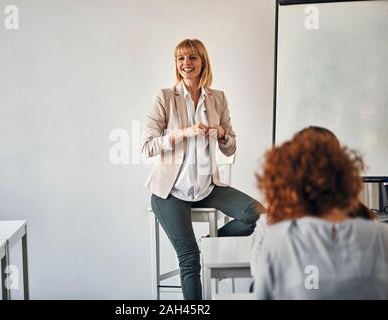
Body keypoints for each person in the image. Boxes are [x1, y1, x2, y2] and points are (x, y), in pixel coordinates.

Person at [141, 39, 265, 300]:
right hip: (170, 192)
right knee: (189, 261)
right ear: (176, 64)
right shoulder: (164, 97)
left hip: (208, 187)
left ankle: (209, 244)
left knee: (259, 215)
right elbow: (147, 147)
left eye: (193, 57)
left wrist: (222, 135)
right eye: (181, 59)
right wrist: (182, 133)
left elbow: (231, 148)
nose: (187, 63)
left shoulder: (217, 98)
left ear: (203, 62)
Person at [253, 126, 388, 299]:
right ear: (344, 174)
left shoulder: (278, 239)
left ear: (289, 177)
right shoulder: (381, 236)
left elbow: (260, 283)